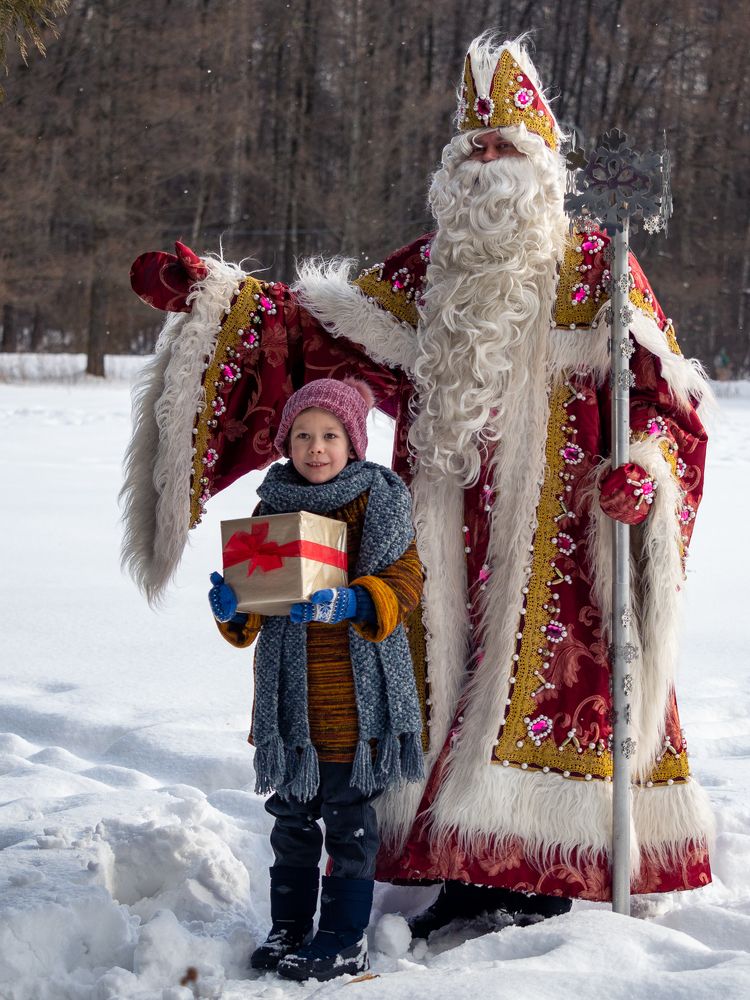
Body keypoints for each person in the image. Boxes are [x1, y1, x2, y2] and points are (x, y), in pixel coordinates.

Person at [123, 31, 714, 935]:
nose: (485, 164)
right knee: (432, 684)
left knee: (546, 689)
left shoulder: (602, 266)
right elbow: (319, 336)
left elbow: (670, 403)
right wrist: (211, 297)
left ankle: (545, 877)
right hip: (433, 527)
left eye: (503, 147)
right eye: (470, 148)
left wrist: (644, 477)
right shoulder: (427, 269)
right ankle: (466, 872)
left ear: (540, 163)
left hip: (561, 541)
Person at [207, 377, 424, 981]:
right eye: (302, 436)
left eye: (330, 435)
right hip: (290, 703)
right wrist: (234, 606)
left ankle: (342, 936)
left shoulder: (379, 502)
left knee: (349, 822)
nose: (316, 448)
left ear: (353, 443)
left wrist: (352, 602)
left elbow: (406, 582)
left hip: (355, 702)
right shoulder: (272, 506)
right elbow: (257, 603)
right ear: (286, 445)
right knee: (292, 822)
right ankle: (289, 928)